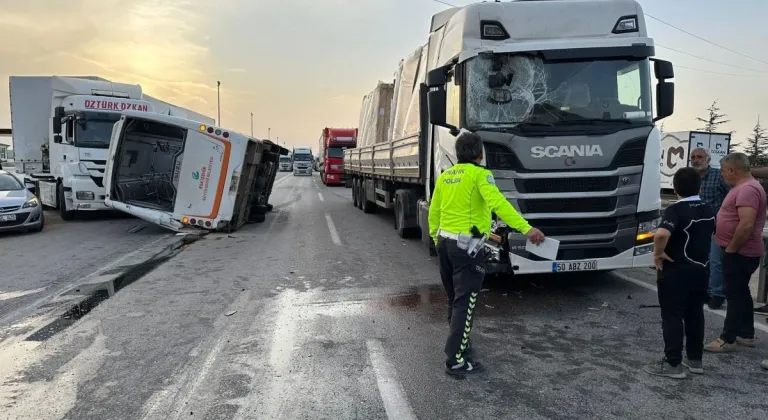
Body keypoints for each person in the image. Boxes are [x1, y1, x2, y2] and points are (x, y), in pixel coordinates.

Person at [428, 130, 544, 376]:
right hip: (466, 249)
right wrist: (526, 229)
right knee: (465, 302)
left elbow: (434, 211)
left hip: (445, 245)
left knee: (454, 299)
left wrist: (435, 237)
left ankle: (461, 345)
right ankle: (456, 360)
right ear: (480, 154)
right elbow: (499, 204)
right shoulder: (481, 175)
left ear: (458, 153)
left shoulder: (446, 176)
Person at [644, 167, 715, 379]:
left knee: (673, 315)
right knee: (695, 313)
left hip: (676, 270)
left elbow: (661, 234)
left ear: (675, 187)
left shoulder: (675, 210)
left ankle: (673, 363)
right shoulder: (709, 208)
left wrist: (658, 254)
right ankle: (695, 359)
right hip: (701, 269)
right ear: (699, 186)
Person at [704, 153, 767, 353]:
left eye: (723, 171)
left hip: (740, 252)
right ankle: (746, 334)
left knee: (733, 294)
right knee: (741, 292)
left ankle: (727, 338)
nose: (722, 175)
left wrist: (731, 249)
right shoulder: (744, 187)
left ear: (732, 170)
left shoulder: (748, 189)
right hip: (738, 250)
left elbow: (746, 223)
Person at [690, 147, 731, 309]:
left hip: (716, 226)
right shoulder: (691, 177)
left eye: (699, 157)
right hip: (696, 226)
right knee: (700, 260)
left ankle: (718, 294)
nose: (695, 160)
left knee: (715, 260)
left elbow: (732, 196)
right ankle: (704, 291)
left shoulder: (718, 176)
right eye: (693, 157)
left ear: (708, 159)